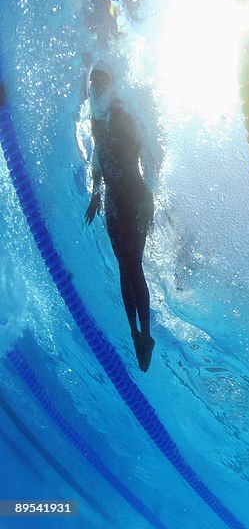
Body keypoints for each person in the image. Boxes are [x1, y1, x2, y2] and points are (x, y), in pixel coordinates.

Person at [84, 61, 157, 372]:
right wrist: (95, 195)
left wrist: (150, 199)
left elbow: (149, 157)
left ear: (111, 82)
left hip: (134, 199)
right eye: (93, 81)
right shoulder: (96, 118)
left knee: (132, 264)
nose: (97, 85)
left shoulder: (123, 111)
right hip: (113, 204)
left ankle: (147, 335)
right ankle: (134, 332)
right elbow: (98, 158)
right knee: (122, 268)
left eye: (102, 79)